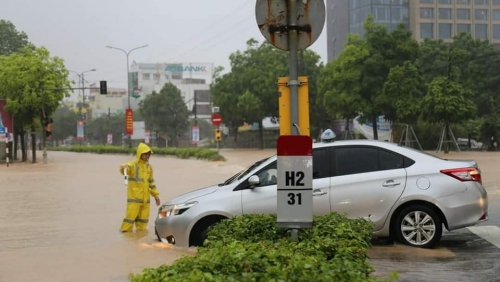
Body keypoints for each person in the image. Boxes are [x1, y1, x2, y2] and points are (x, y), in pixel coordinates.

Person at [118, 142, 161, 232]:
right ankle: (125, 236)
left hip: (146, 201)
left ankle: (139, 238)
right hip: (134, 200)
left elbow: (151, 183)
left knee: (143, 223)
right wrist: (124, 167)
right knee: (129, 220)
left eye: (149, 154)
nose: (147, 156)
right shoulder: (134, 165)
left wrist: (156, 196)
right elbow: (125, 169)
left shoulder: (149, 168)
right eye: (145, 154)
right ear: (140, 154)